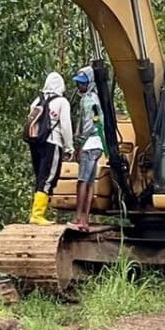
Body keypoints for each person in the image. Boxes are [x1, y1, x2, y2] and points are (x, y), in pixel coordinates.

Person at [26, 72, 73, 225]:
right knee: (47, 178)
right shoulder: (62, 102)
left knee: (40, 177)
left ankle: (37, 213)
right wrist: (69, 147)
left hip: (36, 143)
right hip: (53, 143)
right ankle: (37, 215)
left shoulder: (37, 101)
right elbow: (66, 126)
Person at [72, 66, 104, 231]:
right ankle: (86, 219)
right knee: (90, 182)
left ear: (90, 83)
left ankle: (79, 218)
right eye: (79, 83)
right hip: (97, 145)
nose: (80, 86)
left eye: (83, 83)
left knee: (82, 182)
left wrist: (79, 144)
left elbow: (89, 125)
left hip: (89, 145)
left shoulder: (87, 101)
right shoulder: (96, 99)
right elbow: (99, 123)